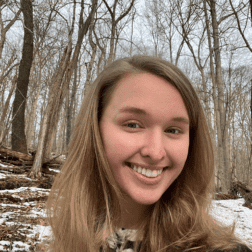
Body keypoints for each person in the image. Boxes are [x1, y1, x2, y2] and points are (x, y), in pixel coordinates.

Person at [46, 55, 252, 252]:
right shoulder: (73, 240)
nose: (155, 152)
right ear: (95, 130)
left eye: (173, 130)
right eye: (133, 125)